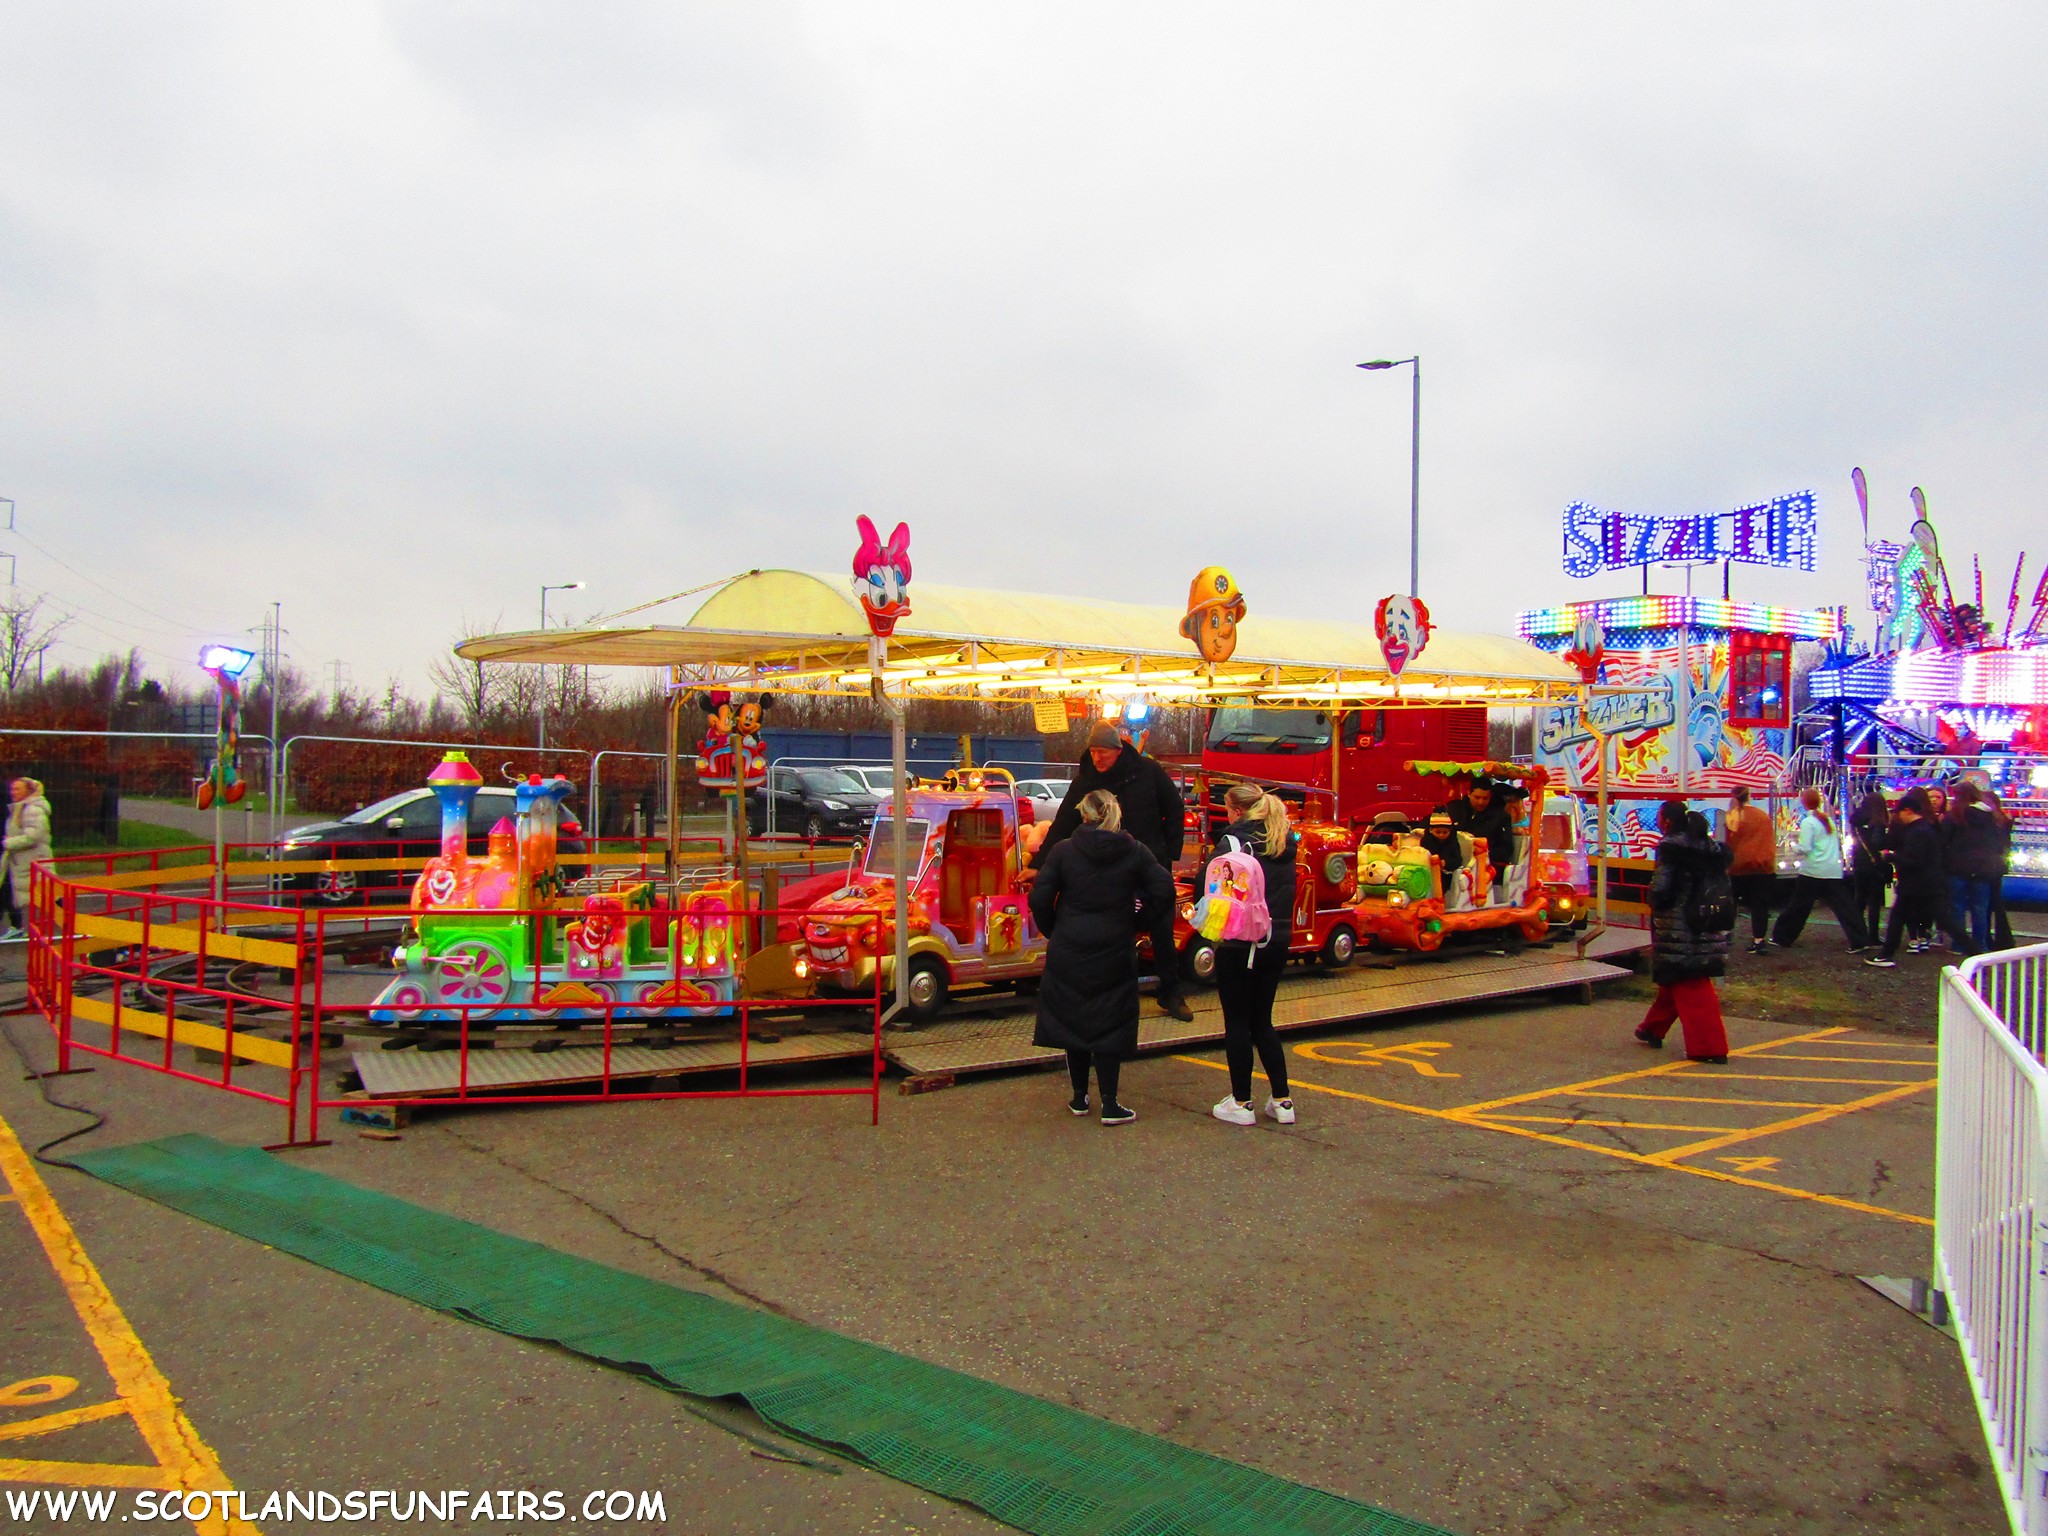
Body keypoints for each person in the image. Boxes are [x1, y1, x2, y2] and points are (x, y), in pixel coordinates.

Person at [1028, 788, 1176, 1126]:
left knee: (1073, 1019)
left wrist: (1055, 929)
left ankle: (1079, 1097)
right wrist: (1140, 923)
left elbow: (1040, 897)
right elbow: (1163, 889)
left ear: (1084, 815)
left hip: (1070, 946)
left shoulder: (1064, 851)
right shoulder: (1135, 851)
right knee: (1109, 1021)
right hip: (1114, 946)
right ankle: (1110, 1103)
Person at [1034, 721, 1193, 1020]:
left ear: (1118, 750)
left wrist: (1171, 851)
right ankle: (1105, 992)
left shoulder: (1148, 772)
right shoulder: (1085, 780)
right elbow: (1063, 824)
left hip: (1148, 861)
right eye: (1093, 752)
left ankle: (1171, 992)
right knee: (1110, 930)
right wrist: (1037, 864)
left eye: (1103, 752)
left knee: (1161, 927)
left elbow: (1174, 807)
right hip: (1104, 868)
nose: (1098, 758)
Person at [1205, 783, 1298, 1128]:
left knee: (1237, 1022)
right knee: (1263, 1020)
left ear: (1237, 811)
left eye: (1227, 809)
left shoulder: (1233, 842)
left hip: (1240, 941)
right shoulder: (1283, 840)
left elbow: (1210, 884)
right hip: (1277, 939)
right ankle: (1282, 1099)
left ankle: (1242, 1102)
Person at [1634, 799, 1732, 1063]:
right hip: (1708, 918)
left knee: (1691, 982)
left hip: (1680, 923)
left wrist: (1653, 899)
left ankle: (1710, 1047)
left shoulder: (1671, 847)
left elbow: (1662, 887)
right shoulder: (1710, 847)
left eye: (1659, 816)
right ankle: (1652, 1028)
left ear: (1666, 821)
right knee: (1675, 978)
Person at [1865, 786, 1975, 966]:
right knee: (1944, 920)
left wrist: (1891, 856)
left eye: (1900, 812)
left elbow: (1914, 859)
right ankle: (1974, 951)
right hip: (1927, 883)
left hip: (1917, 884)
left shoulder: (1917, 832)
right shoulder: (1925, 828)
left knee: (1901, 917)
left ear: (1908, 811)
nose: (1898, 816)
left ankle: (1886, 954)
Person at [1771, 788, 1869, 951]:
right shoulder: (1827, 820)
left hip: (1813, 870)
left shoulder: (1808, 822)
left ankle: (1782, 936)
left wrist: (1795, 847)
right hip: (1831, 869)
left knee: (1798, 907)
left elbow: (1806, 847)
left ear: (1804, 803)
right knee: (1845, 907)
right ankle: (1860, 939)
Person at [1943, 781, 2009, 955]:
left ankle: (1959, 944)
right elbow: (1996, 842)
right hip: (1983, 870)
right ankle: (1980, 944)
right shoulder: (1989, 817)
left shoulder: (1954, 815)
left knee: (1958, 907)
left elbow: (1944, 841)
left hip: (1957, 868)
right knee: (1980, 909)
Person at [1719, 785, 1777, 954]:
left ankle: (1727, 932)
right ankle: (1759, 940)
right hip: (1762, 866)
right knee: (1759, 905)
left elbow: (1726, 843)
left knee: (1731, 901)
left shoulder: (1732, 817)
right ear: (1749, 796)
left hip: (1739, 866)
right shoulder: (1762, 816)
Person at [1446, 777, 1515, 900]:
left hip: (1487, 864)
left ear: (1490, 797)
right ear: (1469, 793)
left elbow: (1506, 847)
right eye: (1477, 797)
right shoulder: (1454, 809)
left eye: (1485, 798)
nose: (1481, 802)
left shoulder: (1500, 817)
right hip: (1454, 859)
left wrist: (1486, 854)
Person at [1, 776, 51, 940]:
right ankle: (17, 926)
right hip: (18, 861)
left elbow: (33, 836)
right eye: (12, 789)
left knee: (48, 895)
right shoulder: (19, 808)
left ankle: (71, 922)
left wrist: (8, 843)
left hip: (33, 861)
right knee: (8, 893)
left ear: (28, 791)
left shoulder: (32, 809)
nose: (13, 792)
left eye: (17, 789)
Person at [1847, 791, 1891, 952]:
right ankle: (1873, 935)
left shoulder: (1856, 821)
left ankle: (1858, 934)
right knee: (1874, 903)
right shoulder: (1878, 822)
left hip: (1860, 863)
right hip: (1874, 865)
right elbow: (1877, 843)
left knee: (1859, 899)